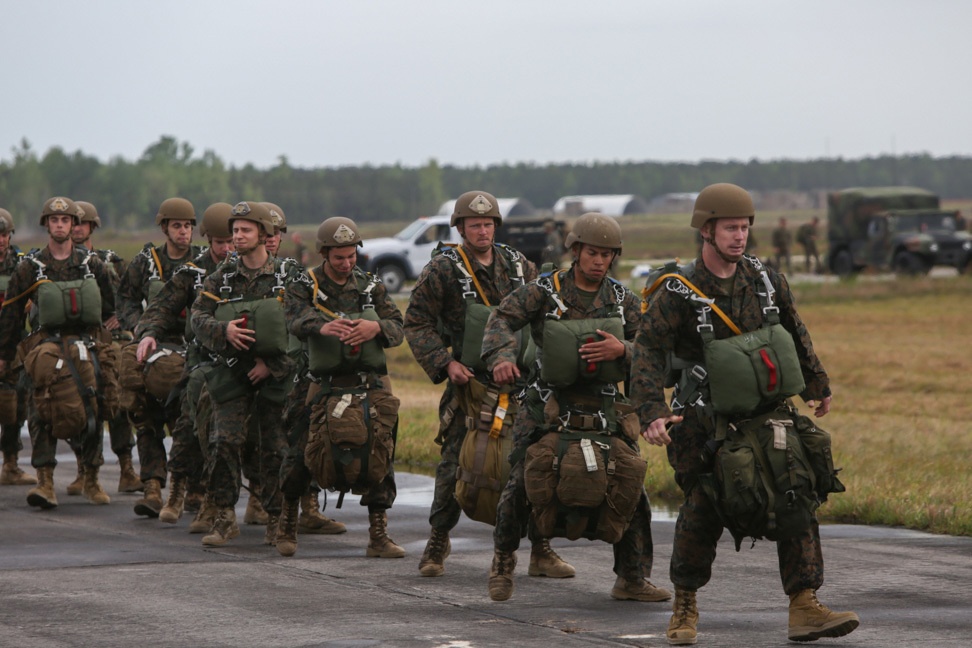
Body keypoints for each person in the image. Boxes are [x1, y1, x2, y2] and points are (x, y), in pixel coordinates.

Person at [632, 183, 859, 645]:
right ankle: (684, 605)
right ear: (707, 230)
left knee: (795, 494)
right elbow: (647, 353)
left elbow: (796, 331)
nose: (740, 236)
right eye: (731, 228)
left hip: (768, 414)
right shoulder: (677, 292)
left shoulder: (767, 280)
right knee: (704, 507)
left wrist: (817, 384)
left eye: (745, 227)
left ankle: (804, 606)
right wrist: (652, 411)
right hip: (706, 423)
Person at [481, 212, 671, 604]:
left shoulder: (622, 300)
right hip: (547, 407)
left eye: (606, 254)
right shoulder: (544, 291)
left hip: (604, 409)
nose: (599, 261)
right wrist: (501, 356)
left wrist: (625, 350)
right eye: (592, 252)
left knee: (632, 489)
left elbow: (656, 347)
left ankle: (631, 578)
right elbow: (501, 317)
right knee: (518, 486)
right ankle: (502, 565)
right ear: (576, 250)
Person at [405, 191, 573, 580]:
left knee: (532, 468)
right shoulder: (443, 269)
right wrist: (445, 363)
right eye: (474, 224)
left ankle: (541, 549)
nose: (482, 231)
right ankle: (437, 540)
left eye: (488, 224)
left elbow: (546, 311)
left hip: (521, 387)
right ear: (460, 228)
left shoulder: (518, 265)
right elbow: (416, 322)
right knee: (455, 466)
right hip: (470, 387)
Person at [277, 216, 405, 557]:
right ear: (324, 254)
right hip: (317, 384)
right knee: (300, 452)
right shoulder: (304, 284)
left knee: (381, 452)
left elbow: (397, 325)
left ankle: (378, 535)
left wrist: (374, 329)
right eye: (339, 258)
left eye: (351, 256)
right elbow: (293, 318)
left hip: (368, 383)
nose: (346, 264)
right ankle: (288, 523)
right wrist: (323, 327)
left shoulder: (370, 285)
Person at [189, 201, 299, 547]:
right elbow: (198, 316)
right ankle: (224, 518)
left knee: (276, 448)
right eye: (235, 230)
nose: (237, 236)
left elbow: (302, 325)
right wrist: (225, 333)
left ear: (264, 235)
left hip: (276, 374)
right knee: (224, 443)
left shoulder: (288, 276)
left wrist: (272, 364)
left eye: (245, 230)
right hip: (233, 372)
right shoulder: (221, 277)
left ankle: (278, 520)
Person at [0, 197, 119, 508]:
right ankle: (45, 481)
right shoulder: (31, 268)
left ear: (73, 225)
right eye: (54, 220)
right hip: (45, 343)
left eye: (66, 220)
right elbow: (11, 314)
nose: (61, 225)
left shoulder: (91, 264)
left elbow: (111, 306)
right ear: (46, 225)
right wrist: (4, 355)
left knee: (95, 401)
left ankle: (91, 478)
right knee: (41, 404)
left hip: (84, 342)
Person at [133, 202, 236, 526]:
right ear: (209, 240)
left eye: (232, 241)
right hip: (201, 358)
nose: (227, 249)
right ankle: (177, 490)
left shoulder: (249, 270)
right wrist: (149, 333)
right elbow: (162, 306)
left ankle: (258, 500)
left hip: (243, 361)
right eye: (220, 243)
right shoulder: (193, 272)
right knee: (189, 422)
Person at [116, 197, 202, 517]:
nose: (184, 232)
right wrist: (136, 326)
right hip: (152, 345)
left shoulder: (204, 263)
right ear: (165, 227)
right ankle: (152, 486)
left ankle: (194, 487)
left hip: (189, 346)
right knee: (144, 413)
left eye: (189, 226)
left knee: (187, 418)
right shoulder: (146, 261)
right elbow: (125, 298)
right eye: (178, 225)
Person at [70, 200, 141, 494]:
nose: (75, 228)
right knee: (76, 406)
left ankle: (126, 468)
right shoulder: (58, 261)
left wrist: (118, 317)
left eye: (81, 223)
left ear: (91, 227)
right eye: (71, 223)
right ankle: (85, 469)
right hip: (75, 341)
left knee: (116, 399)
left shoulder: (109, 260)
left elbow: (128, 297)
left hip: (108, 339)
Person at [0, 207, 36, 487]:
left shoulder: (25, 266)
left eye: (4, 234)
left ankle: (10, 463)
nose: (1, 240)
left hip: (13, 345)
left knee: (14, 405)